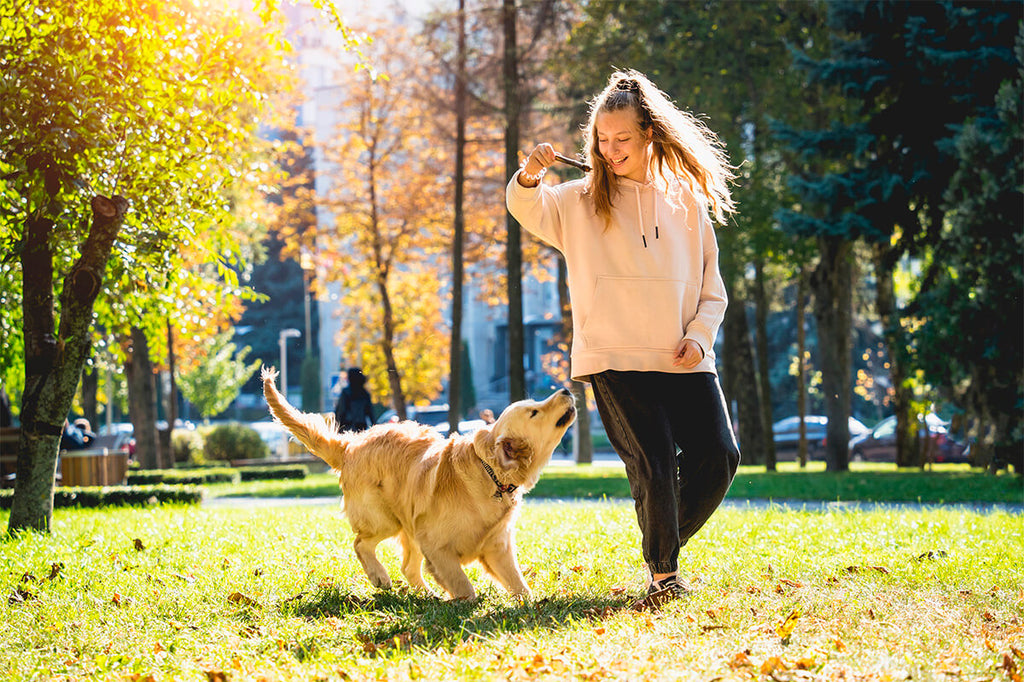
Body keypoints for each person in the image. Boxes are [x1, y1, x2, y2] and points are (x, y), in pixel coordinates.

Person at [506, 70, 741, 604]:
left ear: (649, 136)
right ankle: (664, 575)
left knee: (719, 455)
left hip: (683, 356)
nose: (610, 151)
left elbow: (713, 289)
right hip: (613, 356)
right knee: (655, 463)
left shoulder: (686, 202)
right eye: (602, 141)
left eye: (623, 140)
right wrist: (530, 174)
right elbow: (527, 208)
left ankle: (661, 542)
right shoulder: (578, 201)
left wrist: (701, 338)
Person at [333, 367, 375, 433]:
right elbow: (371, 414)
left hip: (346, 429)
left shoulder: (346, 393)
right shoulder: (365, 394)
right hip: (361, 429)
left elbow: (340, 412)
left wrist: (336, 428)